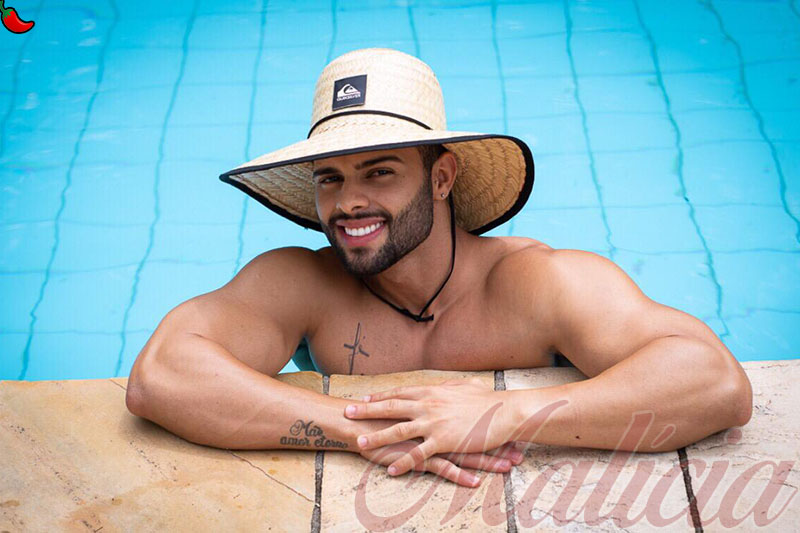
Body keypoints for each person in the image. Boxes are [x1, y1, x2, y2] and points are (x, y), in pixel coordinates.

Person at [126, 48, 752, 488]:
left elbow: (715, 383)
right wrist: (363, 432)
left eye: (379, 172)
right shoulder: (304, 284)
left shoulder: (536, 282)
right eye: (330, 178)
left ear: (442, 177)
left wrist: (502, 414)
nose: (348, 203)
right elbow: (161, 376)